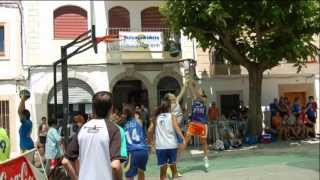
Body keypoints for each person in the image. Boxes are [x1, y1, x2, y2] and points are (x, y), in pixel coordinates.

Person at [62, 91, 123, 180]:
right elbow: (115, 166)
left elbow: (65, 161)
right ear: (111, 109)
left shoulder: (83, 128)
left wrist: (76, 178)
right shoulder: (113, 129)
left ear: (93, 109)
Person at [148, 94, 185, 180]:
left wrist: (151, 143)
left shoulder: (155, 117)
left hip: (160, 147)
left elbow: (149, 131)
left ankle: (170, 175)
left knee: (163, 173)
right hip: (172, 145)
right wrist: (183, 138)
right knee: (173, 167)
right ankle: (174, 174)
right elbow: (177, 128)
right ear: (169, 108)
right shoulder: (172, 116)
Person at [183, 80, 209, 169]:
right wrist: (188, 85)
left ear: (202, 93)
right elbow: (192, 93)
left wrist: (194, 87)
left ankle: (205, 158)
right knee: (186, 140)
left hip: (202, 123)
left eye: (201, 90)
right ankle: (176, 160)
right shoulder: (194, 99)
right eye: (199, 90)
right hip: (193, 122)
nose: (199, 91)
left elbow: (198, 95)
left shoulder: (204, 99)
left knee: (203, 141)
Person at [122, 105, 148, 180]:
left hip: (132, 152)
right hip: (143, 151)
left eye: (123, 113)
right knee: (141, 172)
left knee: (129, 176)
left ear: (126, 114)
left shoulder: (123, 125)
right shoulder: (139, 121)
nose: (122, 115)